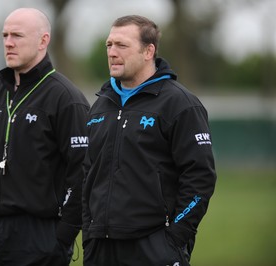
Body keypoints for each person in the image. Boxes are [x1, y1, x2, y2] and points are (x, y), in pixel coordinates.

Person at [82, 15, 217, 266]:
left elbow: (201, 178)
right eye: (109, 45)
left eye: (122, 45)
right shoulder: (100, 105)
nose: (112, 52)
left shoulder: (180, 104)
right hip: (101, 248)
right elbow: (88, 173)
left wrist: (175, 237)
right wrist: (89, 233)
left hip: (154, 248)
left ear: (148, 51)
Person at [0, 8, 90, 266]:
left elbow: (84, 172)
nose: (8, 42)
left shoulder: (66, 99)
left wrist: (63, 234)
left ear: (43, 40)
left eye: (17, 35)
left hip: (39, 239)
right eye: (5, 35)